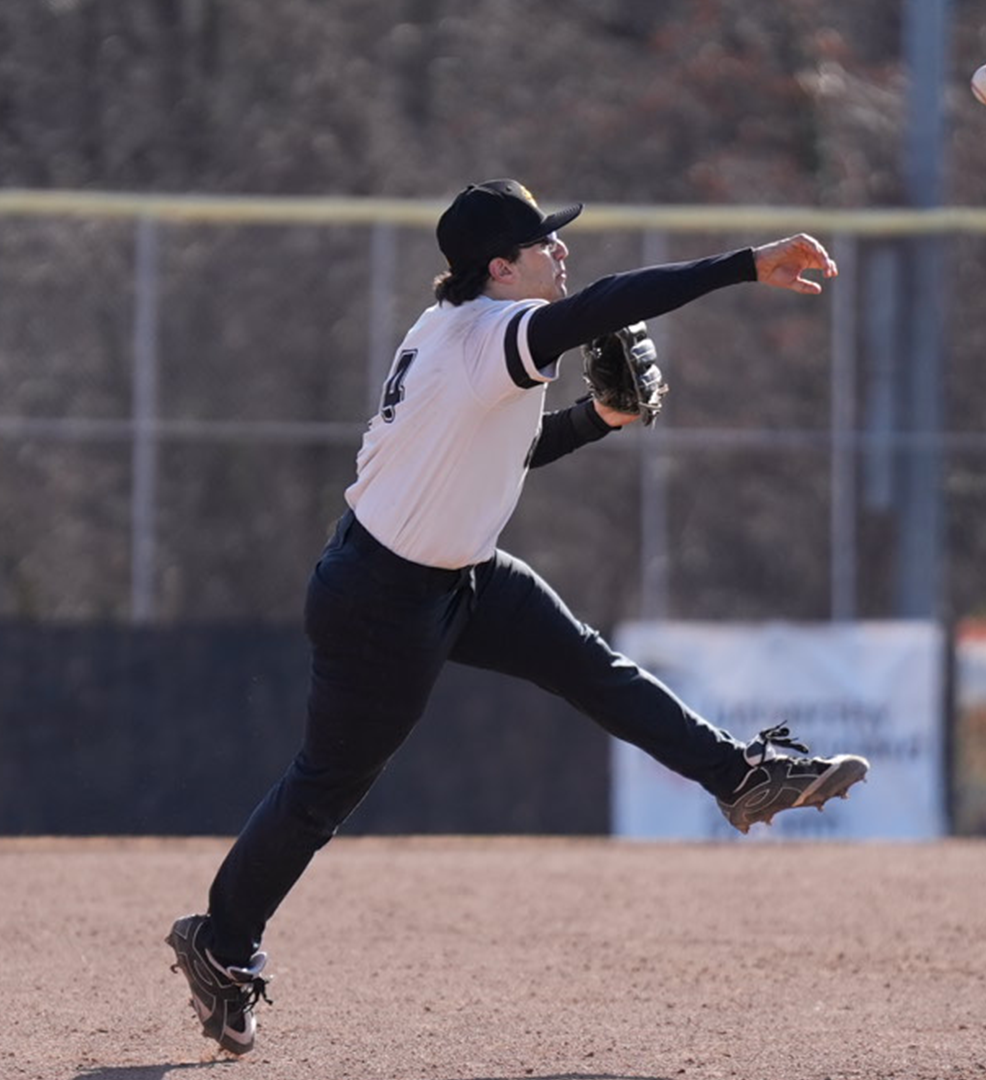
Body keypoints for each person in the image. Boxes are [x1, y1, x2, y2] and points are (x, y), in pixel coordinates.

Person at [166, 178, 869, 1056]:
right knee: (322, 793)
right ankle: (220, 944)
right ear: (500, 268)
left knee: (587, 663)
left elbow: (503, 450)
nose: (562, 252)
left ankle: (738, 778)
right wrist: (744, 265)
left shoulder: (461, 333)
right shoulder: (491, 332)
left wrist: (599, 418)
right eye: (545, 243)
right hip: (381, 602)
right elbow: (611, 301)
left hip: (455, 575)